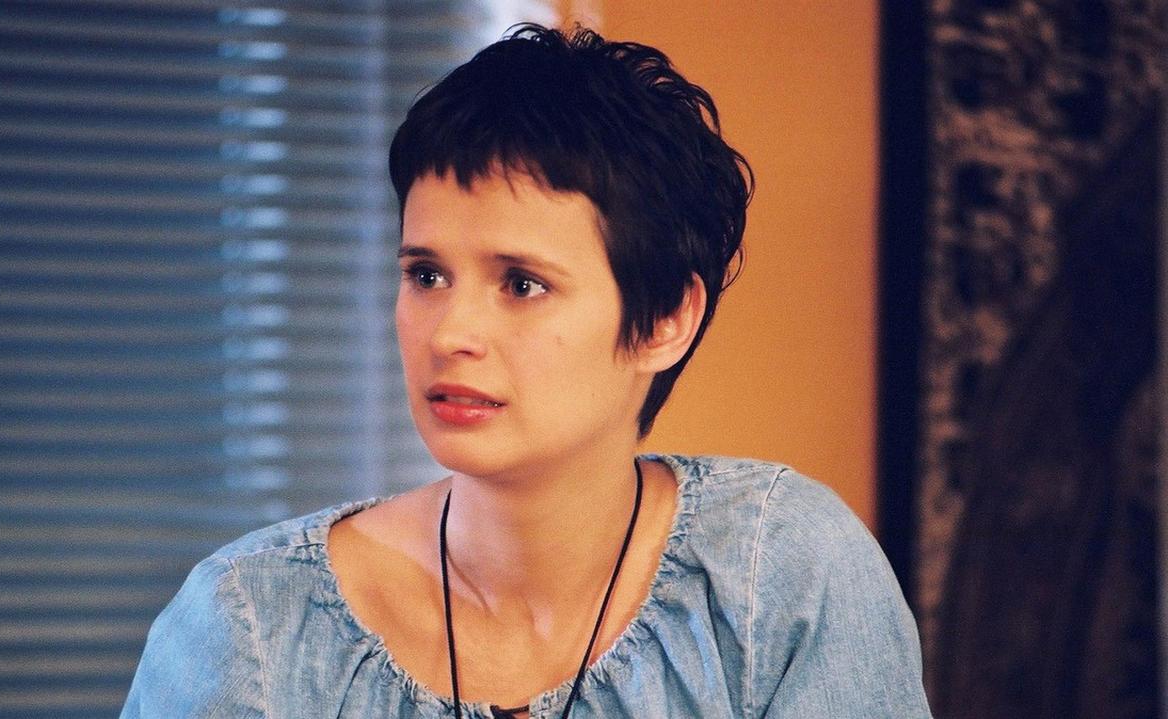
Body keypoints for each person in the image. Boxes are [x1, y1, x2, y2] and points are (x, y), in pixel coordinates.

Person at [121, 24, 932, 718]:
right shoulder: (250, 624)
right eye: (426, 274)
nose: (451, 333)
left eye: (522, 284)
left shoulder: (782, 576)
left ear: (665, 318)